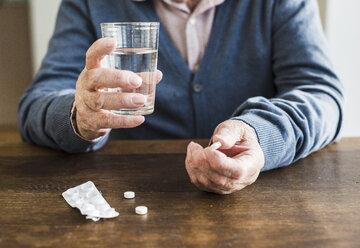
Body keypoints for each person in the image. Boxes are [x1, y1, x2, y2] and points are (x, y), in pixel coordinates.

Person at [18, 0, 344, 194]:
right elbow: (36, 103)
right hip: (128, 199)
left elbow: (322, 95)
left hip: (265, 202)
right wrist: (80, 114)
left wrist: (262, 134)